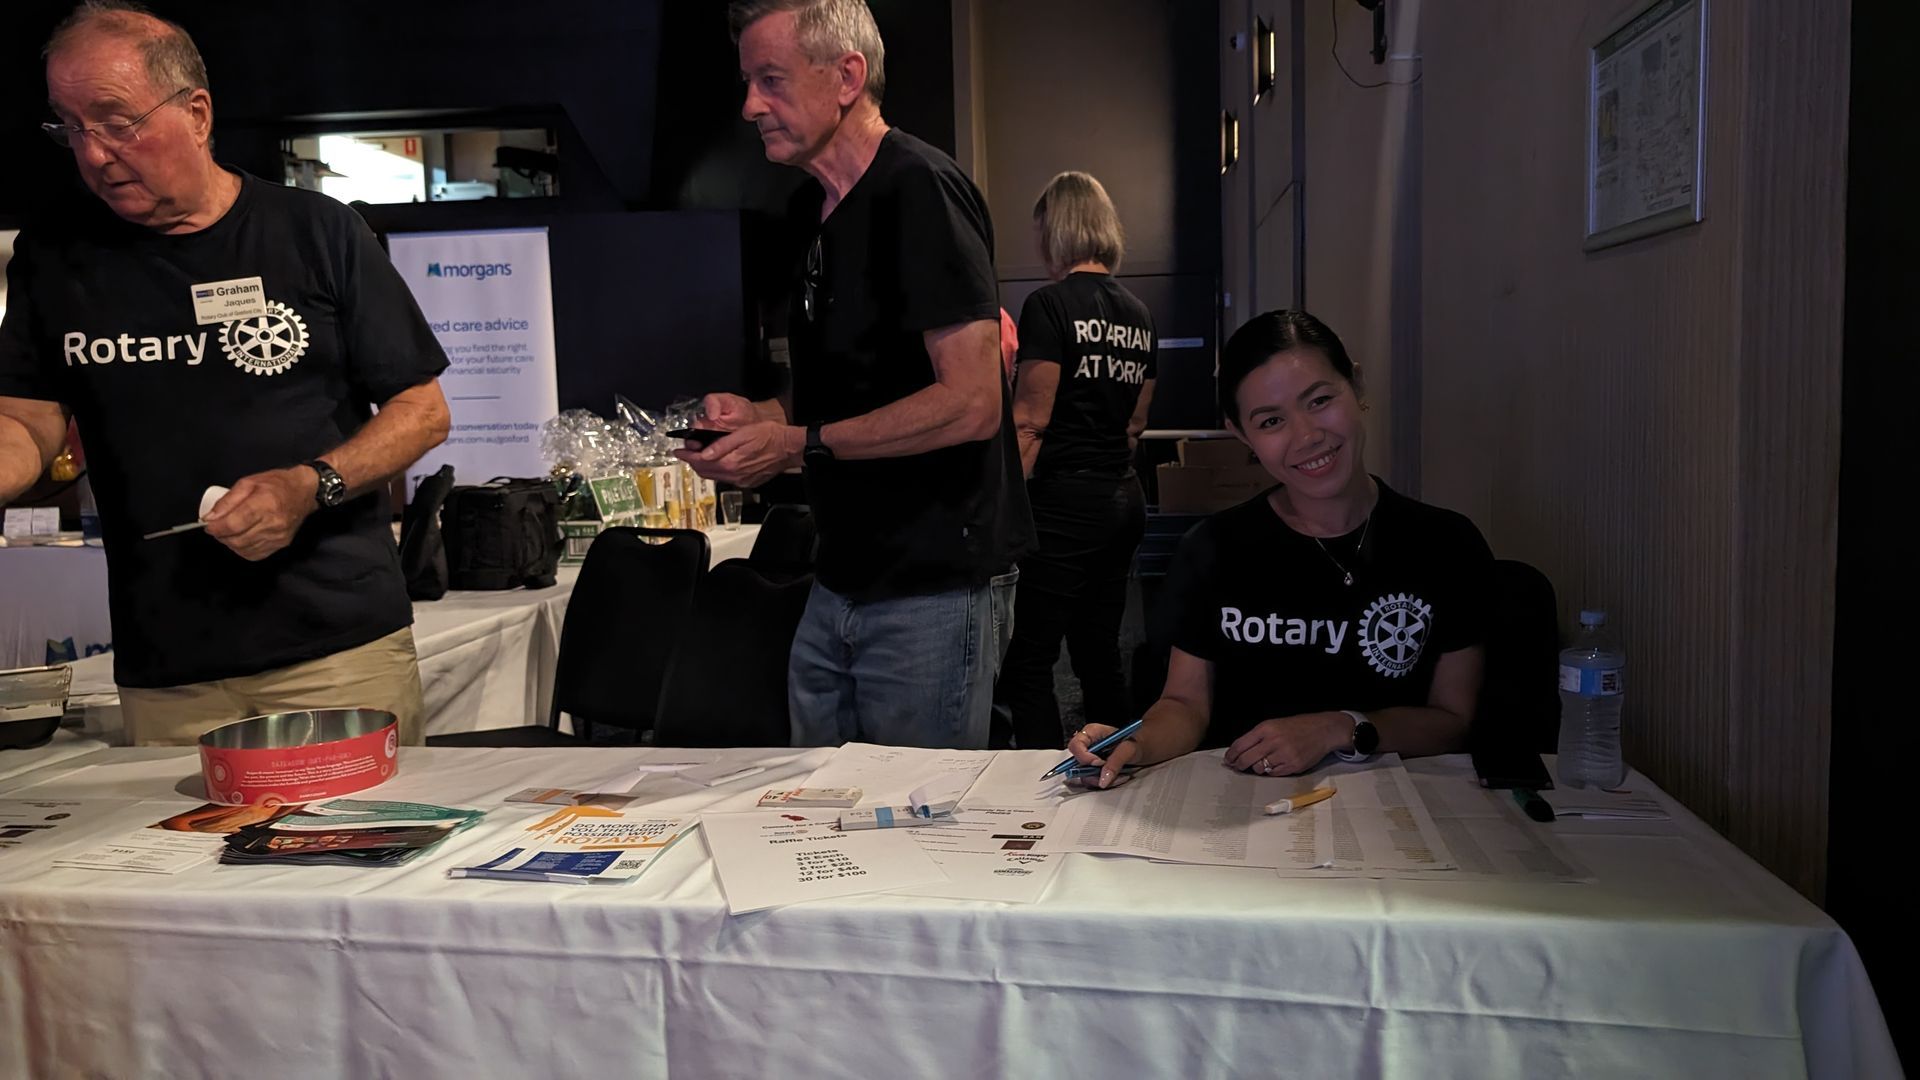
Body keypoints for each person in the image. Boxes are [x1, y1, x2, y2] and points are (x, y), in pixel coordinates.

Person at [0, 2, 451, 745]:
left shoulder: (315, 231)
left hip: (333, 651)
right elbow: (26, 420)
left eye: (116, 123)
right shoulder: (55, 256)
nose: (95, 154)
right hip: (166, 666)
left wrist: (310, 485)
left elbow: (422, 410)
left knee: (354, 824)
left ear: (197, 113)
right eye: (71, 127)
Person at [679, 0, 1032, 750]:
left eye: (771, 80)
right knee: (821, 805)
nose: (750, 106)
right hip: (840, 575)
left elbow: (972, 403)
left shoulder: (920, 188)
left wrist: (796, 444)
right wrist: (759, 418)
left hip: (932, 582)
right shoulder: (812, 211)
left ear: (847, 76)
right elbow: (832, 394)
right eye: (747, 83)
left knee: (914, 811)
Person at [1067, 310, 1491, 786]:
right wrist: (1137, 744)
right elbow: (1185, 703)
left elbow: (1453, 719)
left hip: (1394, 806)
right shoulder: (1213, 549)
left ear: (1357, 386)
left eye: (1320, 400)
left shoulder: (1445, 544)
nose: (1307, 436)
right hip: (1242, 802)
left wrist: (1341, 727)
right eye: (1271, 421)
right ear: (1241, 433)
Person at [993, 172, 1155, 750]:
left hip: (1063, 503)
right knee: (1098, 649)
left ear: (1056, 229)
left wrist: (1003, 511)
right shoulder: (1138, 312)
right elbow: (1135, 424)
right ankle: (1116, 761)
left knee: (1028, 662)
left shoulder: (1048, 305)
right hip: (1123, 497)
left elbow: (1030, 422)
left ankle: (1032, 782)